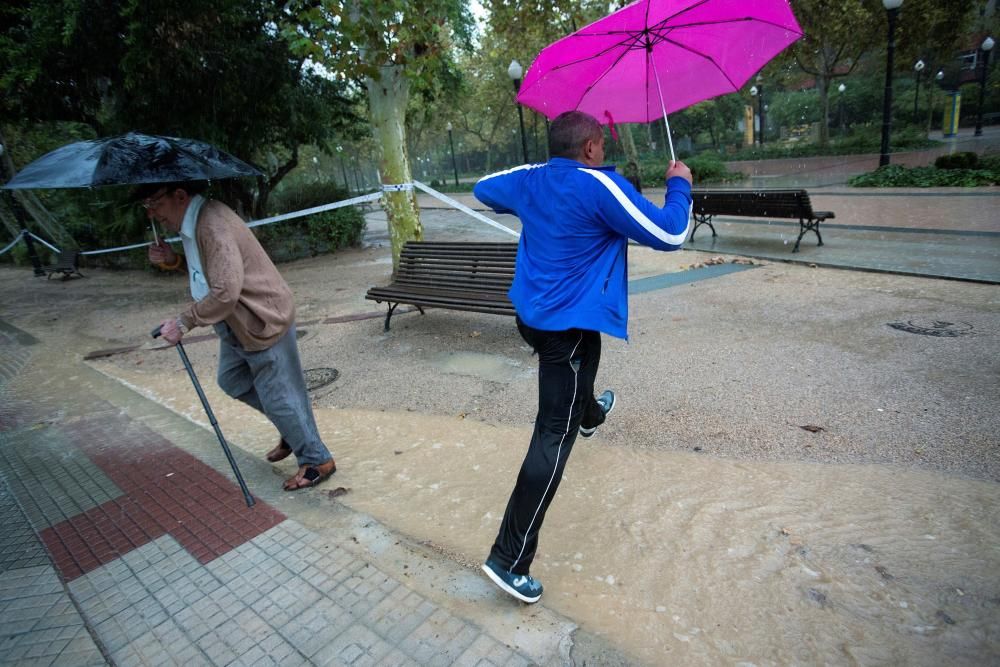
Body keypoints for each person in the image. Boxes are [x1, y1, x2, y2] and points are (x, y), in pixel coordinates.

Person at [472, 111, 693, 603]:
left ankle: (590, 413)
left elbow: (484, 187)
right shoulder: (600, 186)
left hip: (531, 319)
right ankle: (509, 559)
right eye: (602, 144)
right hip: (566, 332)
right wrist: (680, 186)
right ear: (591, 147)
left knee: (576, 389)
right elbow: (671, 234)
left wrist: (543, 172)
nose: (605, 150)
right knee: (553, 432)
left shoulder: (532, 180)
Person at [140, 180, 336, 491]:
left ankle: (317, 460)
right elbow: (208, 276)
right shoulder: (195, 223)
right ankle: (292, 429)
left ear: (179, 195)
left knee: (279, 398)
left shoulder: (211, 226)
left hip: (260, 319)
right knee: (232, 380)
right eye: (146, 206)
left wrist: (183, 322)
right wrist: (173, 260)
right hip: (236, 323)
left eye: (155, 202)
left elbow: (225, 292)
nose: (151, 213)